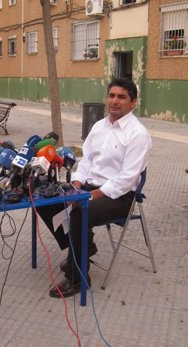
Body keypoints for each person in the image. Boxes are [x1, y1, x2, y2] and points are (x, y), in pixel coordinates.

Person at [37, 78, 152, 298]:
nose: (115, 101)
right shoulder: (99, 126)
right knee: (45, 198)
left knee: (80, 211)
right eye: (111, 95)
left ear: (133, 102)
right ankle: (82, 249)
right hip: (90, 187)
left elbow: (126, 179)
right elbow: (87, 160)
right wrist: (77, 184)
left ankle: (77, 279)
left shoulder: (138, 135)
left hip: (119, 197)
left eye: (121, 97)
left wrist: (90, 196)